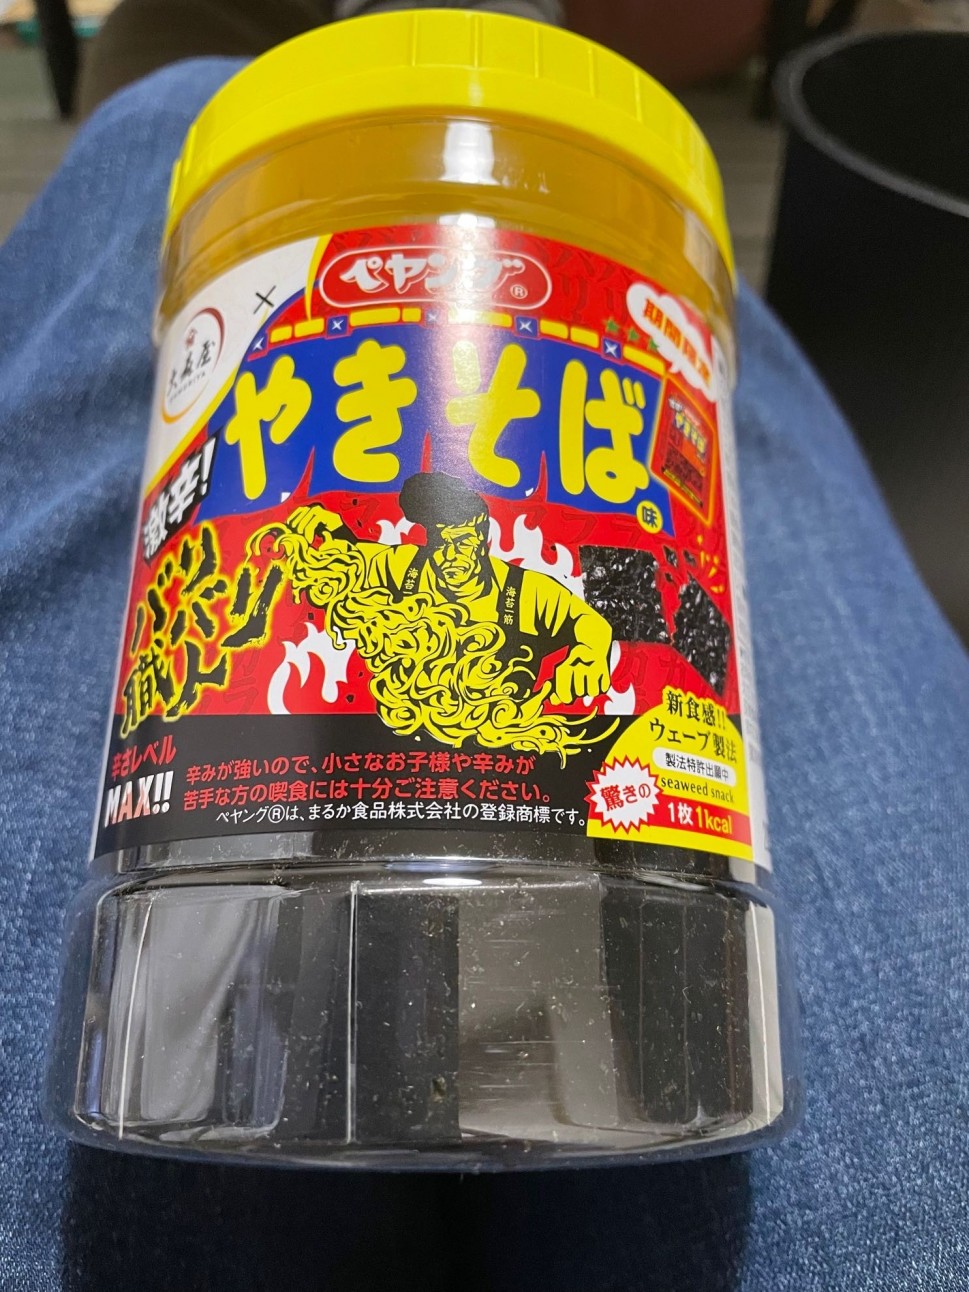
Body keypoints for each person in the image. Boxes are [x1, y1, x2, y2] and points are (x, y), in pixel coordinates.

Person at [2, 5, 969, 1291]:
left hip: (573, 853)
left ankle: (202, 46)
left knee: (151, 121)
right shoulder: (392, 584)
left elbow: (578, 640)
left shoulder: (534, 608)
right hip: (263, 918)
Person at [276, 471, 613, 712]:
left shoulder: (524, 591)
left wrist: (588, 655)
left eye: (462, 542)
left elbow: (590, 624)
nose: (450, 556)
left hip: (502, 746)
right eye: (440, 542)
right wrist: (334, 533)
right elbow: (355, 560)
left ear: (482, 539)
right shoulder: (406, 567)